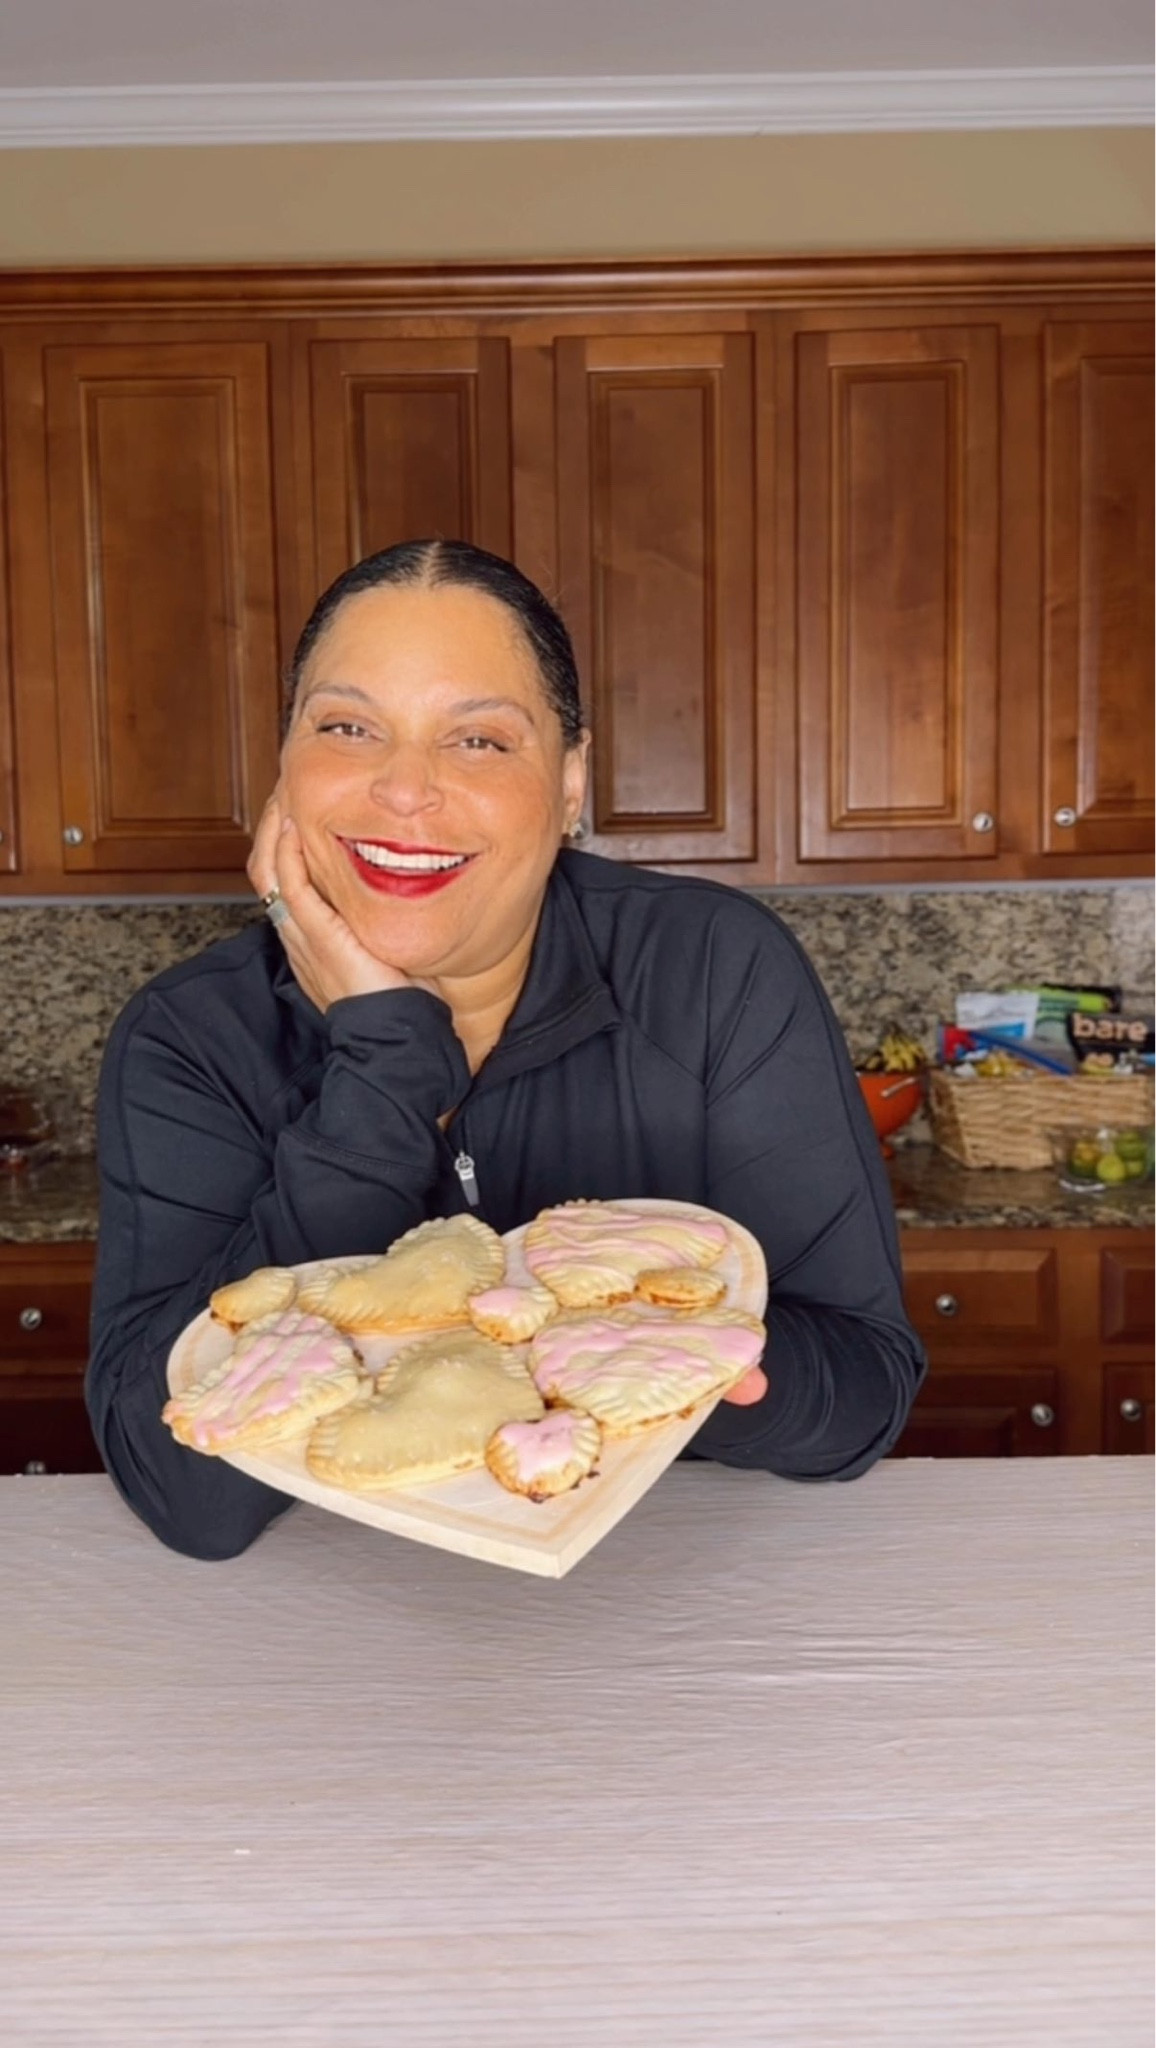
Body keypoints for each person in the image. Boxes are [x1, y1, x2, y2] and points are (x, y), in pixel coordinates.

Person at [87, 539, 926, 1560]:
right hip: (335, 1609)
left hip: (675, 1588)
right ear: (284, 767)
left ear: (570, 783)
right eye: (348, 726)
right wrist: (386, 1065)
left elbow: (861, 1396)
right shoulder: (188, 1039)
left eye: (478, 740)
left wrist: (678, 1365)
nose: (405, 789)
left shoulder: (713, 967)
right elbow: (187, 1494)